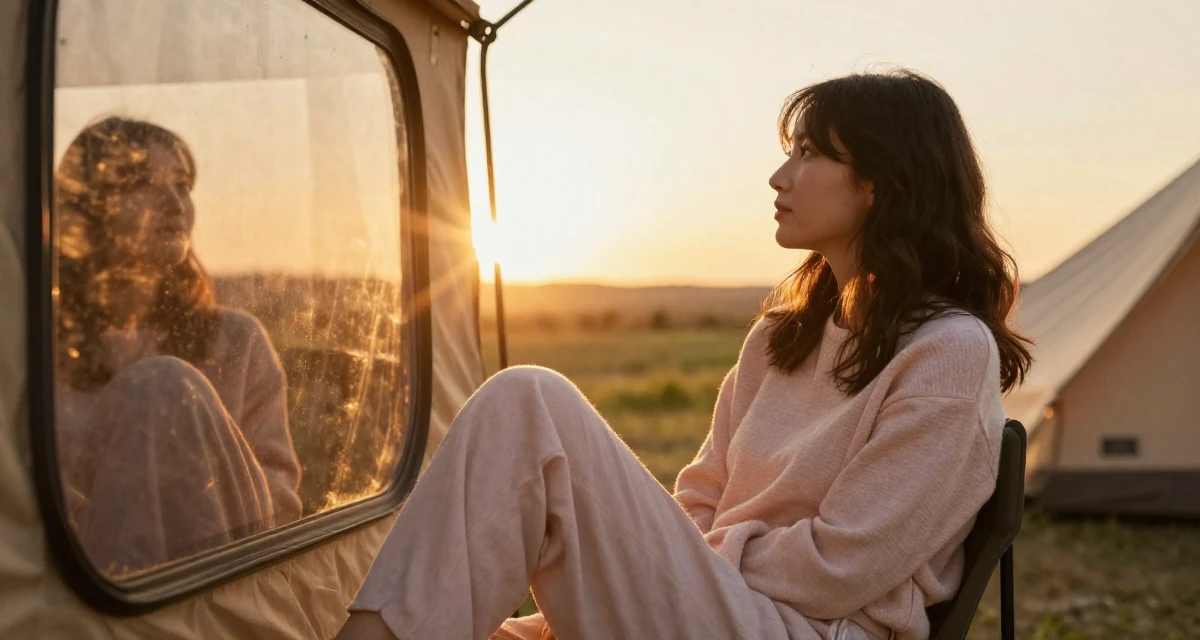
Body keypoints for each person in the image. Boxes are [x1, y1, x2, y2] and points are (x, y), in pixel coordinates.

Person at [336, 70, 1033, 640]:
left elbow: (839, 568)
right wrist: (659, 566)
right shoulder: (778, 341)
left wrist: (675, 561)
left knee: (529, 403)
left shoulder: (947, 354)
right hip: (717, 608)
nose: (779, 176)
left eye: (808, 154)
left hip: (810, 629)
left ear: (879, 184)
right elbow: (699, 497)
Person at [53, 117, 303, 576]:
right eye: (144, 184)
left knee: (161, 384)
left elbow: (279, 500)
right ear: (88, 207)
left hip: (225, 580)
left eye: (183, 185)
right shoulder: (37, 352)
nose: (174, 203)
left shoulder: (237, 339)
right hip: (90, 589)